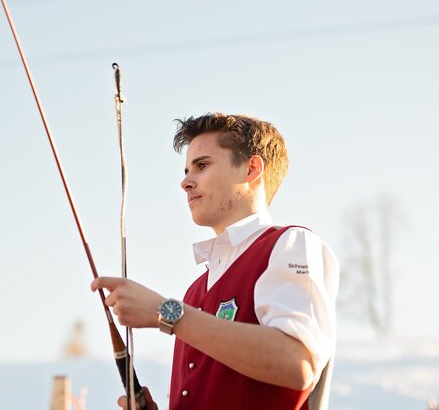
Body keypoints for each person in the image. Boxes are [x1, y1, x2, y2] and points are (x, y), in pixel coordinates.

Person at [92, 112, 339, 410]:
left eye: (202, 165)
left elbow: (297, 364)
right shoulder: (195, 291)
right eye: (186, 170)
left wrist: (166, 312)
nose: (185, 182)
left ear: (252, 169)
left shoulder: (290, 244)